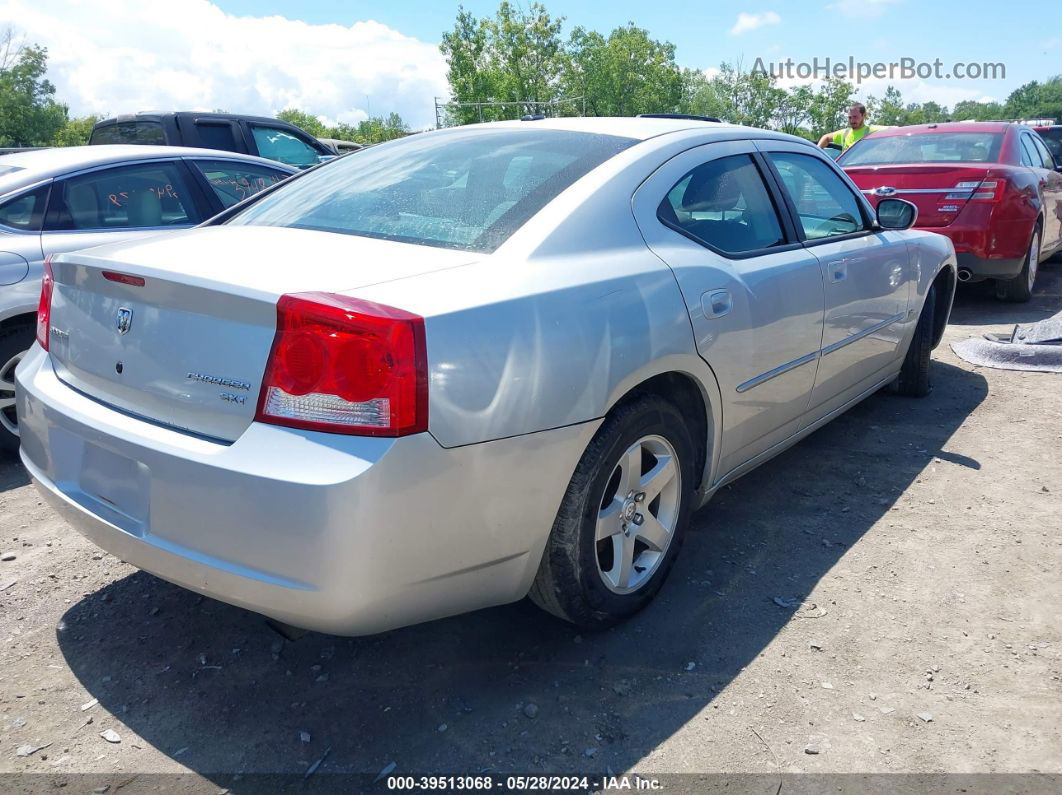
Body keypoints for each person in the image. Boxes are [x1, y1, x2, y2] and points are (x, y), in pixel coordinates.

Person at [818, 104, 885, 151]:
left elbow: (893, 130)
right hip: (845, 169)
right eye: (850, 117)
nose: (852, 121)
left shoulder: (871, 131)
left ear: (863, 115)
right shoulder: (845, 133)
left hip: (863, 169)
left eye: (855, 117)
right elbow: (826, 138)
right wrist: (817, 152)